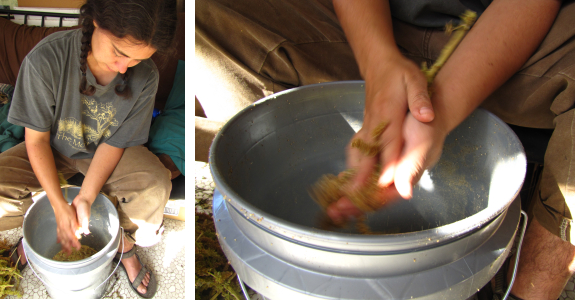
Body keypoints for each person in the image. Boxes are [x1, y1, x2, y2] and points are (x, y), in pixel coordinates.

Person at [196, 0, 575, 299]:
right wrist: (377, 61)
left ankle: (526, 293)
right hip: (373, 24)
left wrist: (438, 110)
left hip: (511, 39)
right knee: (205, 11)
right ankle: (277, 241)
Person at [0, 0, 177, 298]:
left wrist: (86, 196)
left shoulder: (146, 76)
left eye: (135, 60)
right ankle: (31, 237)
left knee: (155, 184)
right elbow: (36, 140)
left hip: (106, 151)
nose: (124, 67)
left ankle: (123, 242)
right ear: (97, 21)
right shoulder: (46, 59)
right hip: (52, 147)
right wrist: (57, 205)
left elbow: (115, 143)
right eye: (119, 53)